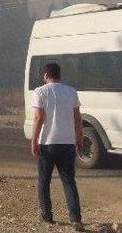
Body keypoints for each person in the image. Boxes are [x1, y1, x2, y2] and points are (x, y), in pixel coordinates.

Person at [31, 62, 84, 231]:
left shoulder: (40, 91)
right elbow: (77, 118)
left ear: (45, 76)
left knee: (44, 181)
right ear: (59, 75)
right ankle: (75, 218)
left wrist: (33, 140)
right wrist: (79, 138)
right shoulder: (71, 91)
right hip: (67, 143)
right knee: (69, 181)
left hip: (47, 143)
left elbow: (39, 117)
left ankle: (47, 216)